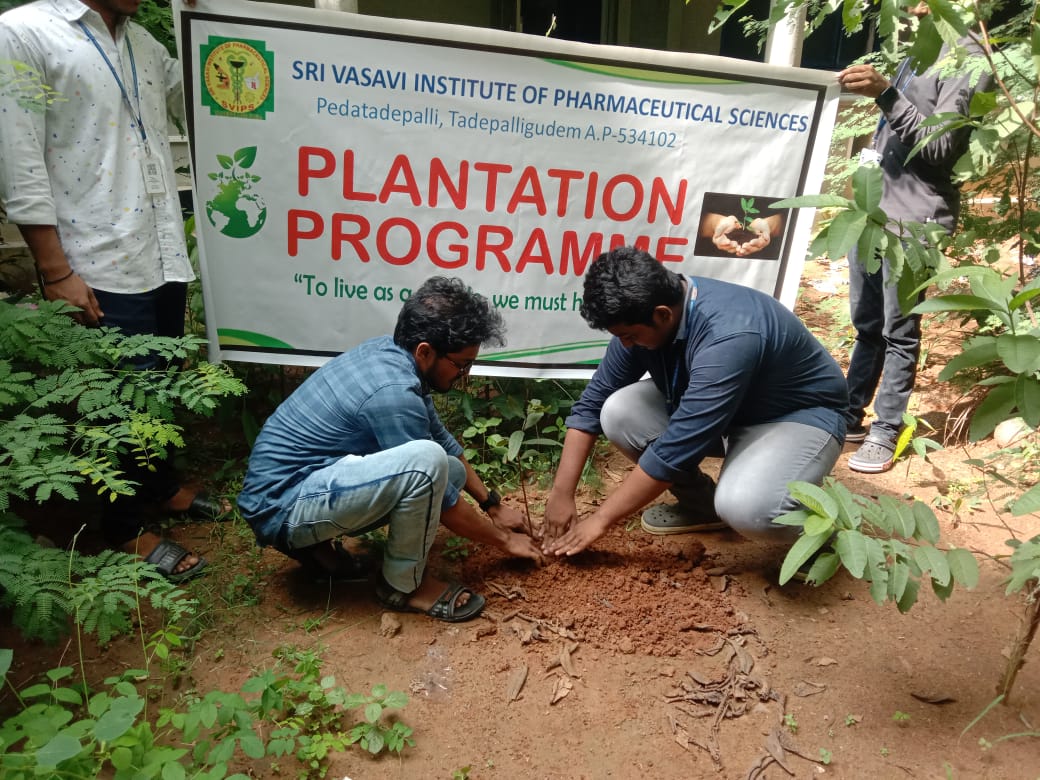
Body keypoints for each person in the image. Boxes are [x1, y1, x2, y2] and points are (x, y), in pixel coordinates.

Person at [0, 0, 216, 582]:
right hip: (93, 259)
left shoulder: (146, 44)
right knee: (114, 401)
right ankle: (124, 531)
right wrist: (54, 269)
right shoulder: (24, 33)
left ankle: (162, 486)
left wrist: (208, 24)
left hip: (161, 246)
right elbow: (18, 158)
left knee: (159, 383)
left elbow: (198, 104)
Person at [237, 276, 544, 623]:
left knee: (447, 467)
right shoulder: (393, 391)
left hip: (297, 485)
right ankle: (404, 586)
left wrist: (492, 504)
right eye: (461, 365)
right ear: (426, 351)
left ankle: (318, 551)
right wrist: (505, 541)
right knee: (427, 464)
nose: (465, 374)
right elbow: (438, 494)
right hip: (282, 506)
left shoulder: (391, 353)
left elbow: (441, 438)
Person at [542, 247, 848, 558]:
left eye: (630, 336)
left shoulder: (728, 334)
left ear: (662, 314)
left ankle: (823, 531)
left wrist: (599, 520)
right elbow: (593, 404)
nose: (625, 344)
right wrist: (561, 494)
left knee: (749, 509)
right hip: (727, 412)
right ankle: (702, 508)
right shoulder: (644, 313)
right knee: (618, 412)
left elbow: (676, 449)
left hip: (792, 417)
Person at [836, 2, 992, 473]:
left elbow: (940, 149)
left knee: (899, 331)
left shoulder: (969, 55)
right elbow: (893, 134)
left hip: (916, 223)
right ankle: (850, 415)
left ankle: (886, 428)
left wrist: (886, 92)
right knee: (866, 326)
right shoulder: (921, 49)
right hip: (873, 215)